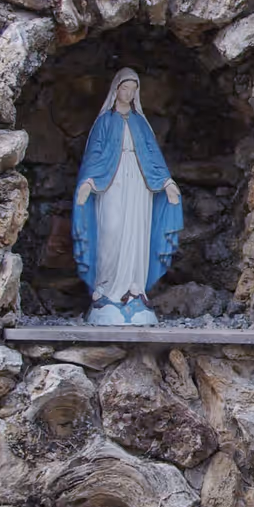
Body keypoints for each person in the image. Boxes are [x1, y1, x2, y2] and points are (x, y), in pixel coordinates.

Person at [71, 68, 183, 325]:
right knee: (111, 230)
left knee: (136, 233)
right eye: (125, 88)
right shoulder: (105, 122)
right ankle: (106, 289)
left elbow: (152, 155)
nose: (129, 93)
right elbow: (95, 155)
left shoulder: (140, 122)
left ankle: (135, 288)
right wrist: (88, 181)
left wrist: (166, 182)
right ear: (116, 90)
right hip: (110, 183)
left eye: (134, 89)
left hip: (139, 184)